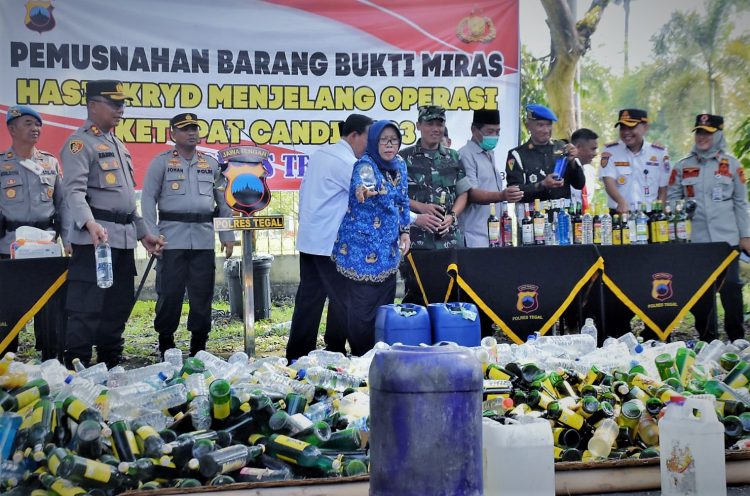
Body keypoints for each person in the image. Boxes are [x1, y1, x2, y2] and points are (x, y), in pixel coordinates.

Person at [60, 80, 164, 368]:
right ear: (93, 105)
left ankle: (110, 365)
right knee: (86, 309)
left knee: (116, 309)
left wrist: (144, 234)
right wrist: (89, 224)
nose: (121, 109)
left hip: (122, 240)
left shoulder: (117, 144)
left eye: (122, 104)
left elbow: (127, 202)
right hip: (94, 242)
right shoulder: (79, 143)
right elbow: (74, 192)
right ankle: (77, 369)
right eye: (114, 104)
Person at [141, 113, 234, 357]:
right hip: (170, 239)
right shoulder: (161, 162)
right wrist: (150, 234)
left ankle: (199, 347)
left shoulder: (211, 164)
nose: (191, 133)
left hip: (203, 240)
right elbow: (148, 199)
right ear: (173, 134)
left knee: (202, 295)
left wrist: (227, 234)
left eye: (194, 128)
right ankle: (166, 343)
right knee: (169, 294)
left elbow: (223, 201)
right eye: (185, 129)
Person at [285, 114, 372, 362]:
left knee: (309, 300)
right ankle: (343, 353)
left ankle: (298, 355)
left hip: (311, 241)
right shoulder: (345, 162)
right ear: (354, 135)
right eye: (369, 137)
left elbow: (303, 194)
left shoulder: (322, 155)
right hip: (330, 244)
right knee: (346, 299)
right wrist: (413, 218)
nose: (372, 144)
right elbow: (373, 198)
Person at [668, 114, 750, 342]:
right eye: (699, 132)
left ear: (719, 135)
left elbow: (741, 203)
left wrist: (746, 236)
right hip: (697, 241)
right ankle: (707, 338)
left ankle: (737, 337)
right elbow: (672, 200)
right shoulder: (682, 166)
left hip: (727, 239)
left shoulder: (732, 166)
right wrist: (683, 208)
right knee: (702, 291)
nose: (702, 137)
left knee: (731, 286)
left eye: (708, 132)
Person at [331, 120, 410, 356]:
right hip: (360, 250)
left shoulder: (400, 165)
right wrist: (363, 191)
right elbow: (362, 185)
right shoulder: (365, 164)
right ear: (374, 141)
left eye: (393, 140)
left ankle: (380, 355)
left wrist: (405, 230)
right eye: (384, 140)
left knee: (384, 307)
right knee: (361, 309)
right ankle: (360, 357)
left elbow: (403, 199)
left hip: (388, 249)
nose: (389, 145)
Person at [0, 106, 65, 357]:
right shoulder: (2, 164)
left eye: (37, 124)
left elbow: (63, 204)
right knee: (8, 307)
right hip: (8, 245)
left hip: (45, 246)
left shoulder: (49, 162)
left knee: (50, 306)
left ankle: (52, 360)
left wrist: (67, 240)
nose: (35, 128)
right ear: (12, 128)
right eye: (28, 123)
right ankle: (7, 360)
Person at [399, 105, 470, 304]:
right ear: (418, 125)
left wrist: (452, 216)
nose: (435, 128)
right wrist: (420, 207)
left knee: (451, 296)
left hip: (449, 240)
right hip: (418, 241)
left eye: (440, 124)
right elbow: (395, 197)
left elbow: (463, 194)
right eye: (430, 123)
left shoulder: (453, 157)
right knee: (417, 296)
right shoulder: (403, 159)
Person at [458, 109, 524, 248]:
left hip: (494, 237)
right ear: (474, 130)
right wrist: (502, 195)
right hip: (474, 237)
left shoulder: (489, 154)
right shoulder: (465, 154)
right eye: (490, 132)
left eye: (497, 132)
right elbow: (471, 193)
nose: (495, 136)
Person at [505, 104, 583, 203]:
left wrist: (572, 162)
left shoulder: (562, 147)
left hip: (563, 215)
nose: (546, 130)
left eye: (549, 125)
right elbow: (514, 193)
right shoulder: (517, 155)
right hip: (533, 216)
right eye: (540, 125)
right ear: (528, 126)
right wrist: (541, 185)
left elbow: (579, 184)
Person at [600, 109, 670, 214]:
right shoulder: (610, 151)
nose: (626, 132)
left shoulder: (659, 153)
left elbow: (663, 190)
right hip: (620, 213)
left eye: (631, 127)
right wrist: (621, 202)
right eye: (622, 128)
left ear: (645, 128)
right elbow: (608, 182)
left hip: (651, 214)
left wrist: (661, 213)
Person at [569, 128, 600, 213]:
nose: (596, 153)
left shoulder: (591, 171)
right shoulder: (564, 169)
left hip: (586, 221)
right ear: (578, 147)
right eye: (593, 149)